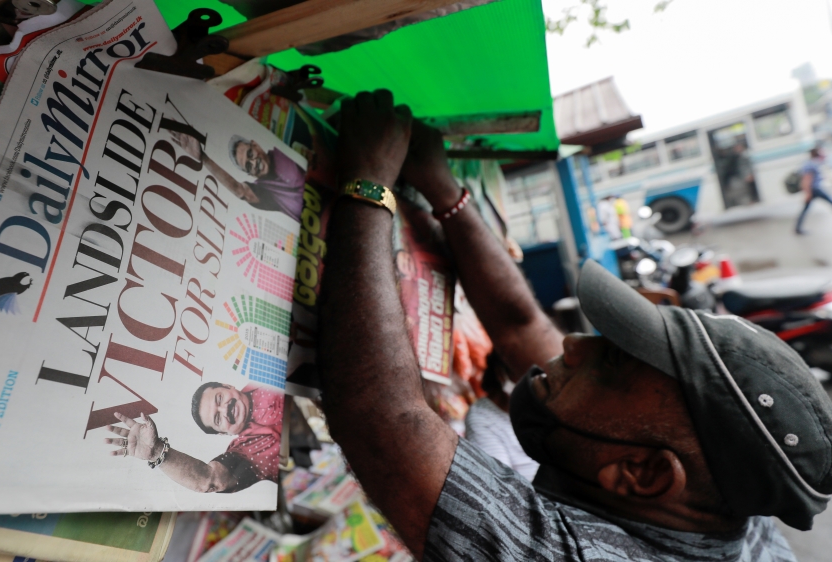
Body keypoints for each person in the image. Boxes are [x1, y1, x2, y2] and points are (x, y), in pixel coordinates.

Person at [319, 89, 831, 561]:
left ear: (643, 473)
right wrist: (443, 186)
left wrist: (369, 181)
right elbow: (521, 327)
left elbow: (380, 413)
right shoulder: (721, 494)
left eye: (609, 364)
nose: (572, 343)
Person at [104, 382, 282, 493]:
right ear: (223, 433)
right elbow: (208, 478)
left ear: (228, 386)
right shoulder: (243, 452)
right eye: (218, 419)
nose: (225, 409)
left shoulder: (264, 377)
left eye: (219, 399)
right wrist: (156, 451)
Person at [172, 132, 306, 220]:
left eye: (250, 154)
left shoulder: (283, 156)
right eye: (248, 166)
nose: (254, 162)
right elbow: (240, 190)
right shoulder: (266, 191)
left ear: (256, 146)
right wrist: (203, 157)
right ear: (250, 174)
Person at [464, 354, 539, 480]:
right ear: (500, 374)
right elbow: (502, 484)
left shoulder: (536, 409)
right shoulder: (482, 419)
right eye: (528, 377)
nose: (536, 383)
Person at [795, 145, 831, 235]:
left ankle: (797, 228)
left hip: (813, 189)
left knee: (805, 209)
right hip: (815, 189)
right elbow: (806, 180)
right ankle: (797, 228)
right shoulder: (811, 164)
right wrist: (808, 193)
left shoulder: (812, 163)